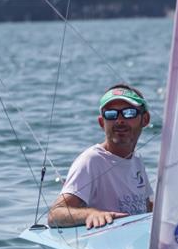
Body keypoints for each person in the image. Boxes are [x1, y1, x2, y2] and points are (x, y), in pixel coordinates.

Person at [48, 84, 153, 229]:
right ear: (102, 123)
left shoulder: (136, 160)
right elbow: (55, 214)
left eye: (129, 113)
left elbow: (147, 208)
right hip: (104, 247)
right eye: (111, 114)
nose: (120, 120)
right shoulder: (91, 160)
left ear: (145, 119)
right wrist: (91, 214)